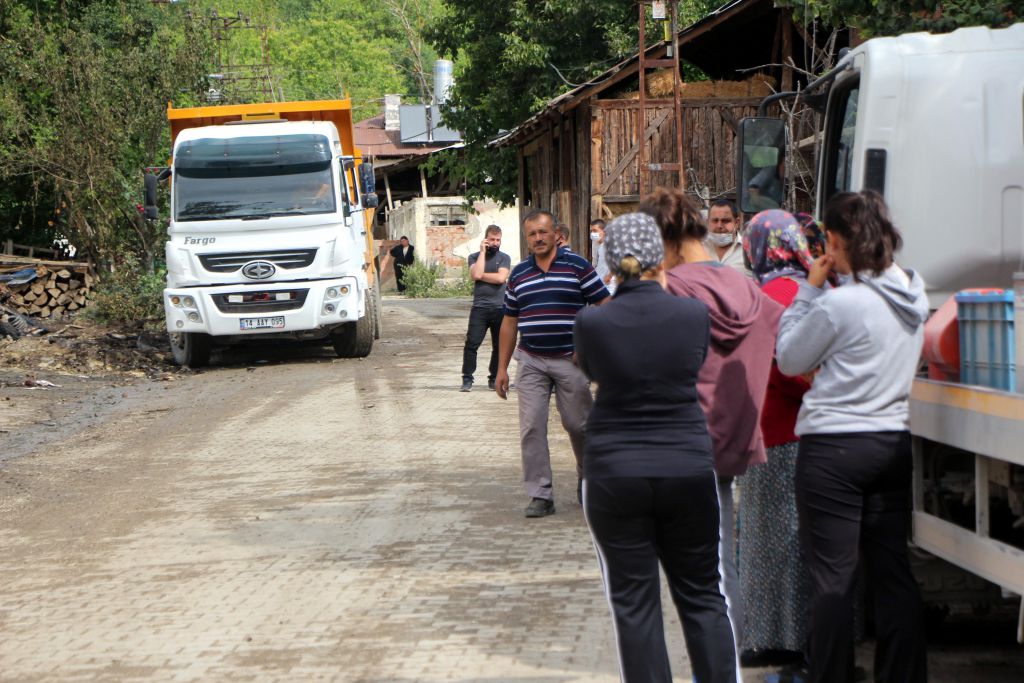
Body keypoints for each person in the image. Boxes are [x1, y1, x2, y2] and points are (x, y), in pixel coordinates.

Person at [574, 212, 739, 683]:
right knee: (704, 596)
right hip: (686, 464)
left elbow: (591, 374)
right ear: (657, 257)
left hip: (613, 472)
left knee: (634, 604)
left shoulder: (591, 321)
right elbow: (696, 364)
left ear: (610, 259)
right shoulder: (693, 314)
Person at [776, 190, 929, 683]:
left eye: (830, 240)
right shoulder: (914, 294)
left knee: (832, 579)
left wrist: (809, 290)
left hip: (834, 450)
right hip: (891, 442)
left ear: (839, 240)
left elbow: (789, 358)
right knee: (893, 573)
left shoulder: (841, 304)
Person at [639, 188, 783, 652]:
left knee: (700, 580)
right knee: (721, 566)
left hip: (681, 446)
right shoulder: (746, 285)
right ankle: (733, 655)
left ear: (668, 238)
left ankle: (726, 664)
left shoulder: (673, 290)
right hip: (732, 441)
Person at [494, 209, 610, 517]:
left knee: (579, 425)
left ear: (555, 233)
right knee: (531, 426)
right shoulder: (519, 274)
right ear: (526, 238)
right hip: (531, 359)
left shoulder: (578, 267)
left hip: (571, 361)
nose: (538, 238)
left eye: (543, 232)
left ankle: (588, 481)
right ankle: (540, 494)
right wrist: (502, 368)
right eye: (532, 234)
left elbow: (605, 305)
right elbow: (509, 321)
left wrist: (588, 343)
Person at [738, 210, 816, 669]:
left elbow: (784, 367)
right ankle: (798, 635)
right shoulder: (805, 292)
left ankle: (773, 636)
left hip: (772, 428)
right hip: (798, 428)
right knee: (792, 538)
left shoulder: (765, 295)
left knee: (768, 541)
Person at [460, 225, 511, 392]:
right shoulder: (474, 256)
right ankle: (467, 378)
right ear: (485, 239)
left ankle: (493, 378)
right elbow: (475, 275)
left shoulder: (504, 258)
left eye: (498, 240)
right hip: (479, 308)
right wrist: (482, 253)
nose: (495, 243)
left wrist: (481, 275)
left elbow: (501, 278)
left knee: (499, 345)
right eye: (492, 239)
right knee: (472, 344)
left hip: (499, 308)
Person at [705, 199, 751, 276]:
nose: (719, 226)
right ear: (707, 222)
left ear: (737, 223)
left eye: (725, 221)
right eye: (715, 221)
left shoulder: (749, 251)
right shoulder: (699, 248)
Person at [590, 219, 616, 295]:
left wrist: (609, 276)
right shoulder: (597, 245)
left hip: (609, 285)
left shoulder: (611, 244)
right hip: (599, 282)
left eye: (595, 230)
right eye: (591, 231)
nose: (592, 233)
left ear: (604, 231)